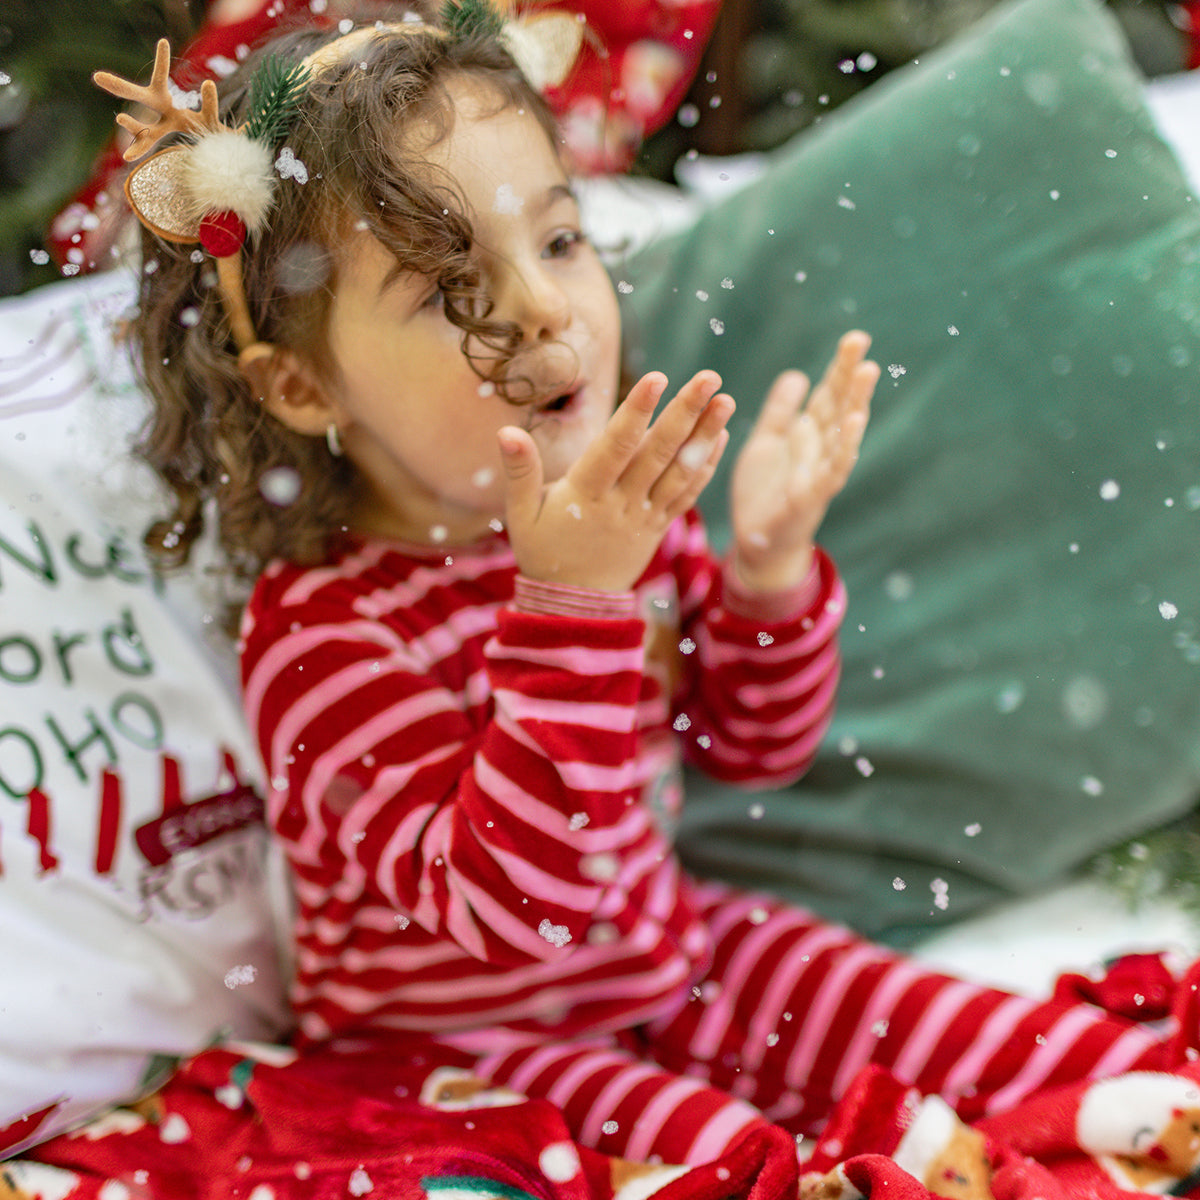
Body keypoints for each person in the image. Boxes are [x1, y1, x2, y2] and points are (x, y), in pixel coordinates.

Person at [107, 1, 1197, 1172]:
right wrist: (572, 606)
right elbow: (513, 907)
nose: (539, 306)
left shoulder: (621, 513)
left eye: (562, 241)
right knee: (735, 1162)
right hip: (465, 1044)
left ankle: (1086, 1113)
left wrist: (767, 576)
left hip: (676, 957)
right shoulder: (324, 634)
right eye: (445, 288)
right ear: (307, 390)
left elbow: (751, 744)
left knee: (1006, 1036)